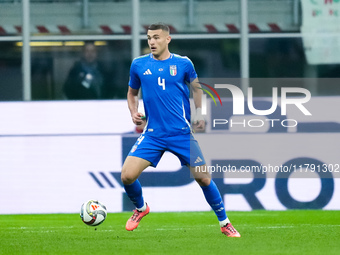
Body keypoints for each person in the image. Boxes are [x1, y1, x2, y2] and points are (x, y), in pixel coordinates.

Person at [121, 23, 240, 237]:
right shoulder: (138, 65)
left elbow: (196, 89)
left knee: (203, 178)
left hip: (181, 134)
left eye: (156, 37)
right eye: (149, 38)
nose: (151, 42)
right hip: (153, 135)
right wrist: (133, 111)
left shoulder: (183, 64)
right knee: (127, 176)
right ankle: (140, 208)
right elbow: (132, 93)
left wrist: (199, 113)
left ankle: (225, 223)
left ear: (168, 39)